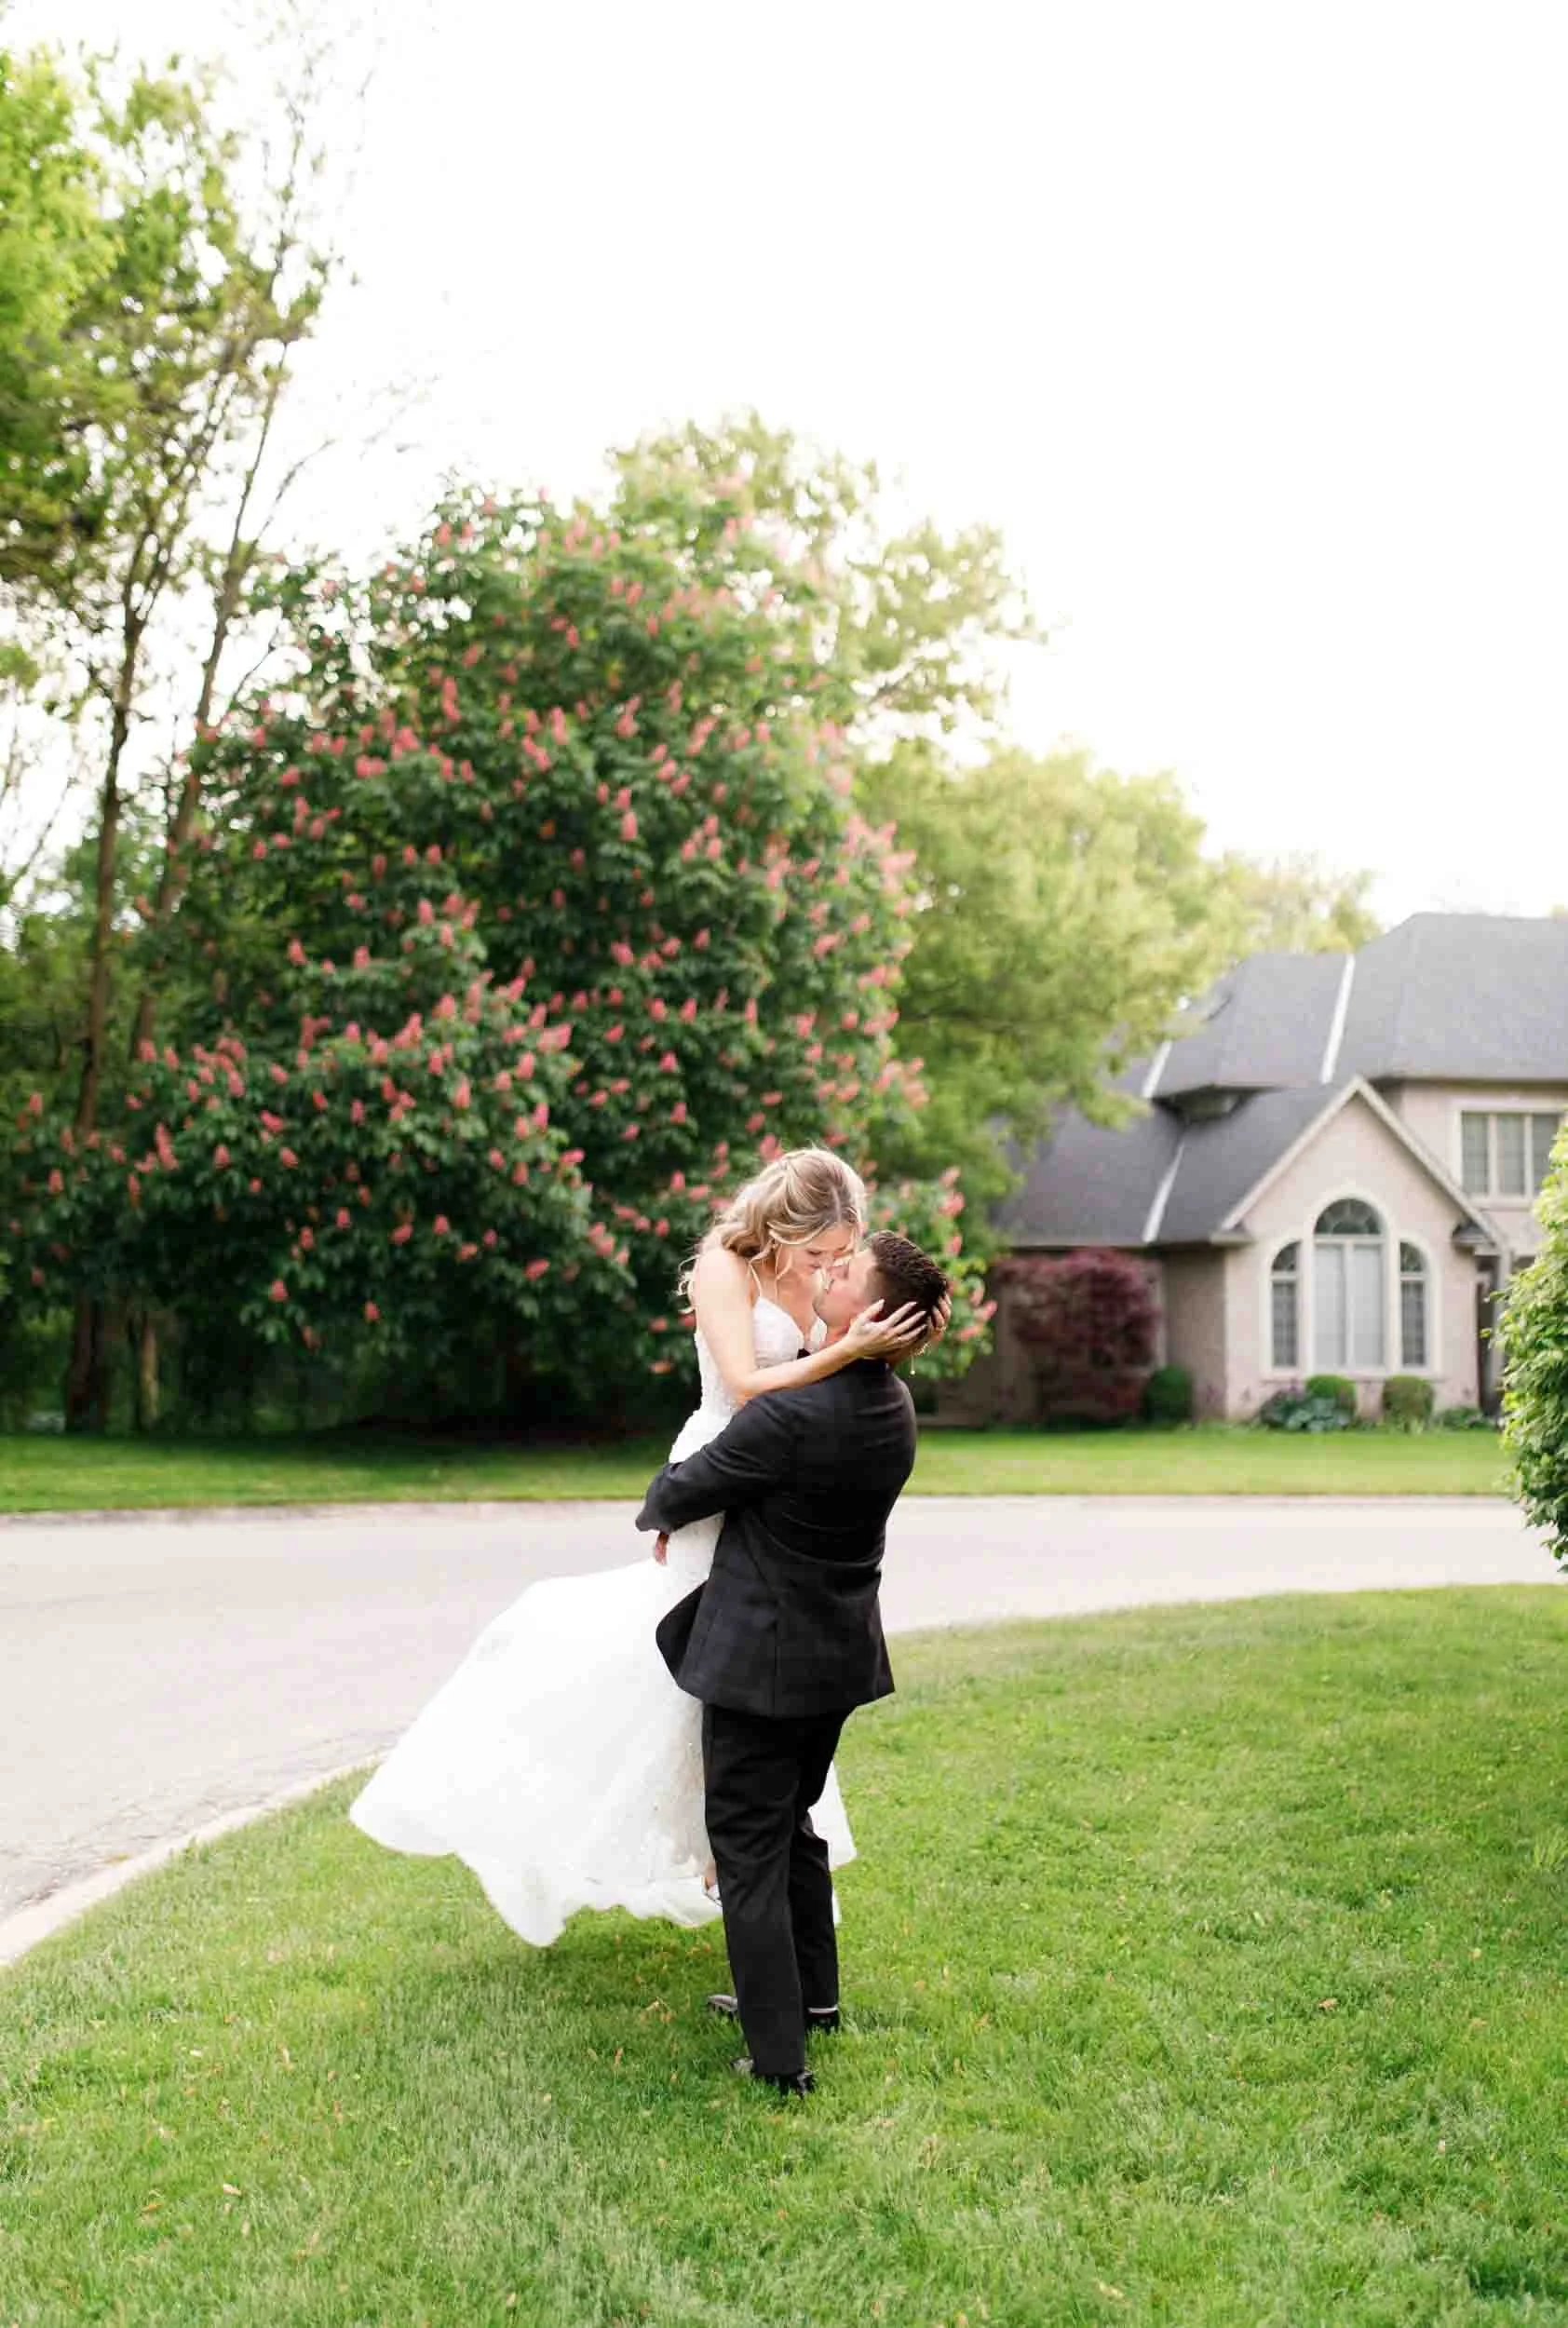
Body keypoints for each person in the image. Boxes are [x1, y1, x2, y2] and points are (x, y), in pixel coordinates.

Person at [348, 1149, 929, 1943]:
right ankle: (711, 1846)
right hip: (722, 1468)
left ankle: (746, 1855)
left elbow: (847, 1380)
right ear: (783, 1226)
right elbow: (748, 1384)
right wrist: (844, 1354)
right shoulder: (726, 1267)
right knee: (697, 1666)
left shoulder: (831, 1286)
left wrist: (889, 1342)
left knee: (772, 1671)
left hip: (779, 1486)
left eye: (840, 1255)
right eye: (817, 1252)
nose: (828, 1270)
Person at [639, 1229, 951, 2097]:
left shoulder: (792, 1415)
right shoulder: (893, 1406)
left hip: (760, 1664)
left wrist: (660, 1504)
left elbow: (681, 1489)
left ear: (874, 1314)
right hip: (836, 1660)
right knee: (796, 1827)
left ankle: (779, 2059)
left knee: (745, 1848)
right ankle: (813, 2002)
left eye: (844, 1272)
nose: (827, 1271)